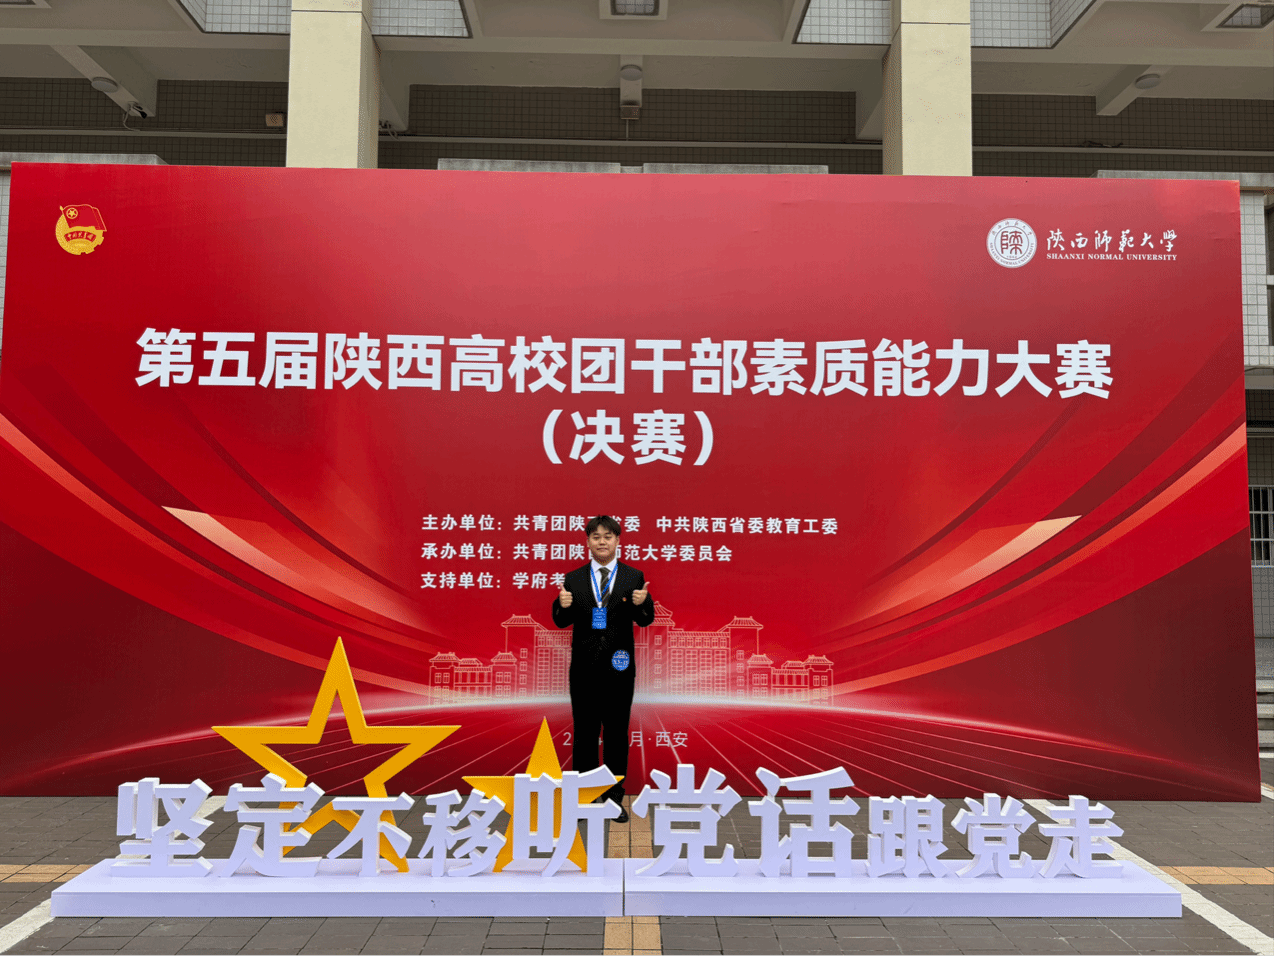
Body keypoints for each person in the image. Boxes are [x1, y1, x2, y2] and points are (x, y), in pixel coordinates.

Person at [551, 515, 653, 823]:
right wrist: (562, 605)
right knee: (585, 734)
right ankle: (583, 798)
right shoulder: (574, 578)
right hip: (584, 670)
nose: (602, 542)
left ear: (618, 541)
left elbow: (645, 619)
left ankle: (613, 797)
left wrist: (642, 602)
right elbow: (561, 621)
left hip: (619, 668)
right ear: (588, 542)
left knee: (616, 735)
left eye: (608, 536)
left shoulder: (634, 576)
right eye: (596, 537)